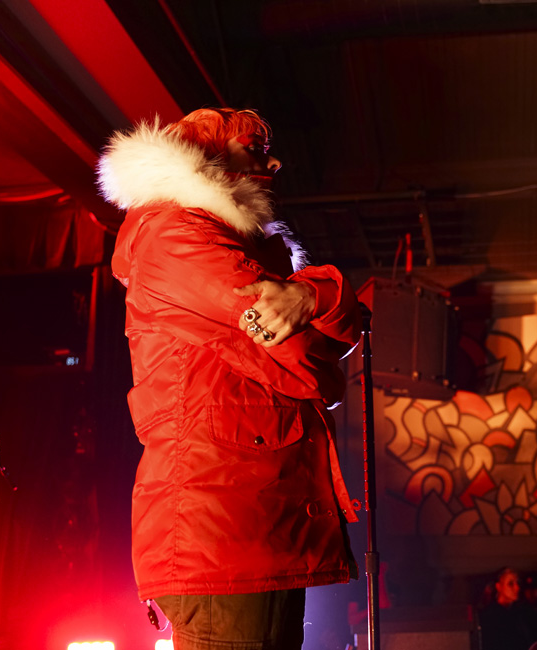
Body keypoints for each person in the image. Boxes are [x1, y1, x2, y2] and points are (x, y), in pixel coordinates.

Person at [97, 108, 362, 649]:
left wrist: (314, 294)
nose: (274, 161)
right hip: (224, 530)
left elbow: (338, 336)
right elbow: (314, 363)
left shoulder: (234, 243)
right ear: (208, 157)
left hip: (253, 524)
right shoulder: (176, 235)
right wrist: (319, 312)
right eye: (255, 148)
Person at [479, 567, 536, 650]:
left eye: (518, 583)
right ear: (499, 587)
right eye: (510, 584)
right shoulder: (489, 616)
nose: (517, 588)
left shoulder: (523, 612)